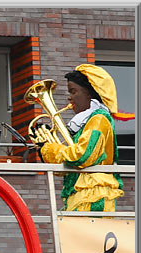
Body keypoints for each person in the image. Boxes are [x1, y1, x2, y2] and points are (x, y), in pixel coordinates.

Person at [39, 64, 124, 212]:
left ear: (89, 93)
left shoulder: (99, 119)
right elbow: (66, 168)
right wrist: (43, 147)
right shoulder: (85, 123)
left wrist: (49, 148)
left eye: (73, 91)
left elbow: (81, 156)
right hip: (81, 194)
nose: (69, 97)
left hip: (93, 197)